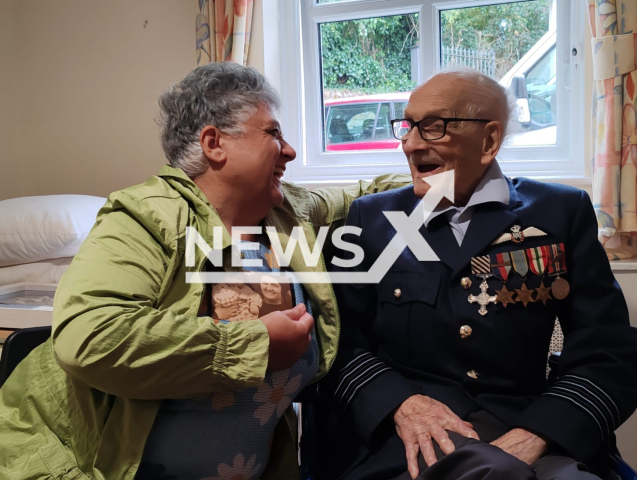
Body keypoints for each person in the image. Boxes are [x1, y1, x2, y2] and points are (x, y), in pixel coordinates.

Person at [0, 62, 408, 479]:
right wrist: (256, 347)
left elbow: (370, 194)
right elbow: (90, 337)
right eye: (273, 133)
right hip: (71, 463)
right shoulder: (145, 216)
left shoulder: (289, 211)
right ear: (214, 143)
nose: (289, 150)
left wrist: (446, 174)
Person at [320, 68, 637, 480]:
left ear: (489, 140)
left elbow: (608, 350)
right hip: (410, 441)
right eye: (407, 126)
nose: (411, 144)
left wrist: (539, 432)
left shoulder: (561, 212)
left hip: (529, 430)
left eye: (434, 128)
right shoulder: (371, 218)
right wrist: (401, 404)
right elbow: (338, 345)